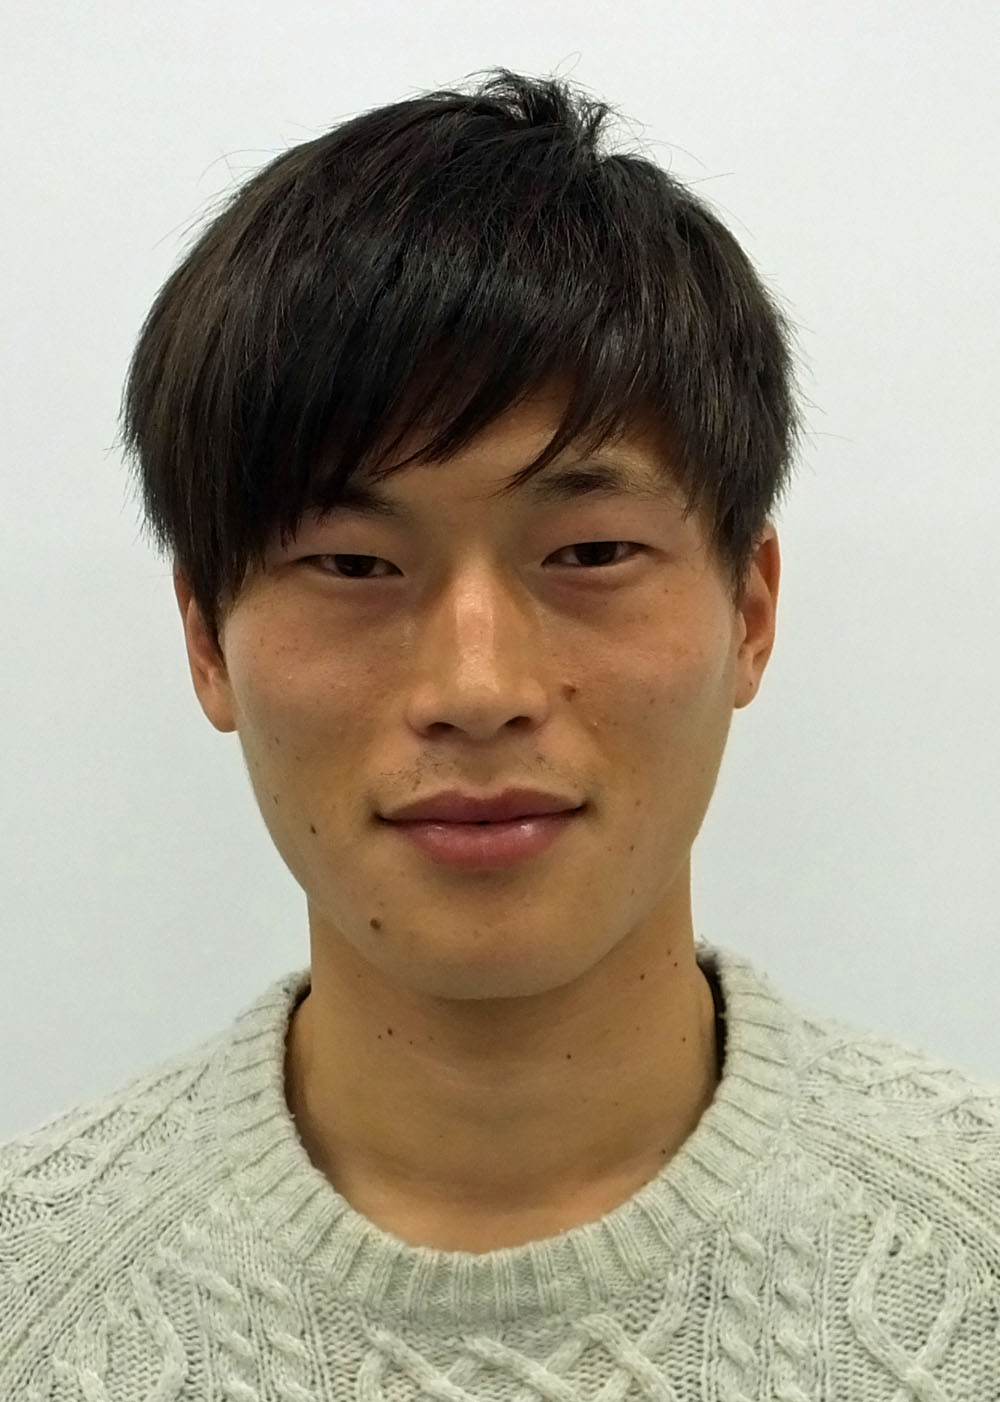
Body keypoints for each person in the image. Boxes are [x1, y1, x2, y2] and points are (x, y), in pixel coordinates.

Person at [2, 67, 997, 1399]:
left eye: (589, 551)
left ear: (752, 611)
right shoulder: (32, 1295)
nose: (478, 686)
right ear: (206, 638)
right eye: (354, 565)